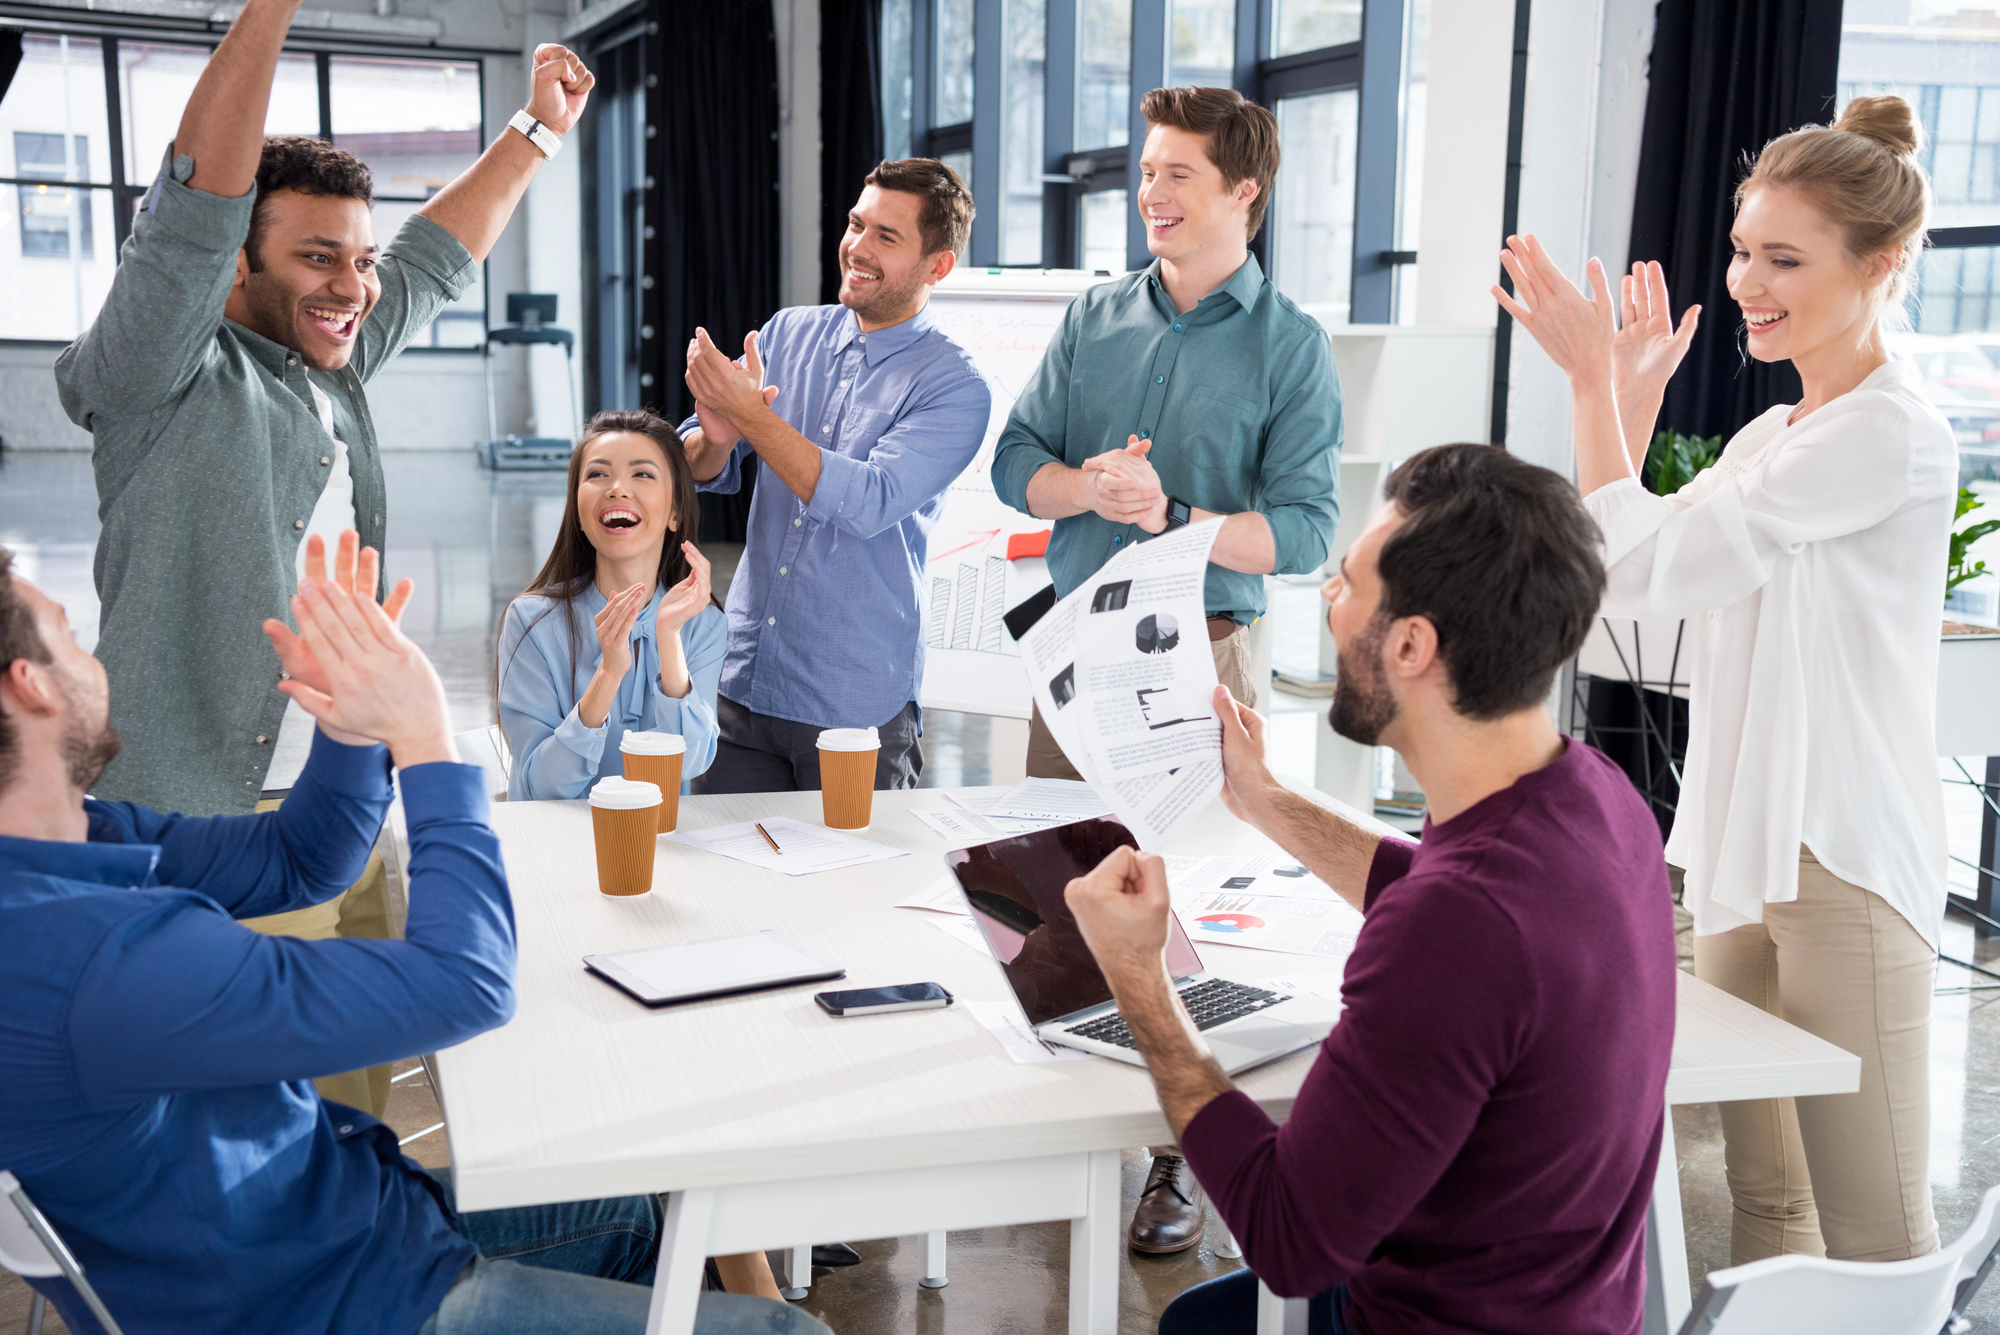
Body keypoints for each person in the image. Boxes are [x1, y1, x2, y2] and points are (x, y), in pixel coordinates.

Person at [0, 538, 824, 1335]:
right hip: (334, 1298)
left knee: (634, 1213)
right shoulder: (91, 959)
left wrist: (353, 727)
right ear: (29, 684)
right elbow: (465, 984)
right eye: (72, 633)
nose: (94, 651)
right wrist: (425, 739)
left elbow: (299, 861)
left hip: (338, 1221)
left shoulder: (74, 843)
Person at [54, 0, 595, 1116]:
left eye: (356, 256)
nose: (352, 283)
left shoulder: (330, 369)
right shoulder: (162, 373)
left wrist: (534, 133)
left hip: (347, 794)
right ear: (234, 269)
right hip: (219, 816)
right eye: (316, 257)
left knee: (357, 1104)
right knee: (264, 1114)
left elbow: (435, 259)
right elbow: (190, 212)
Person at [1061, 444, 1679, 1335]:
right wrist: (1266, 800)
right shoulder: (1597, 795)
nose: (1326, 599)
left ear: (1412, 645)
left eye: (1345, 583)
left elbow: (1289, 1241)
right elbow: (1440, 892)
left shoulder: (1457, 927)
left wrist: (1140, 985)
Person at [1494, 94, 1953, 1264]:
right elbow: (1619, 573)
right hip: (1739, 849)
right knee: (1761, 1207)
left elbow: (1646, 563)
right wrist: (1626, 394)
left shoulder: (1884, 432)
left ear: (1881, 263)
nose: (1747, 280)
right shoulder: (1770, 439)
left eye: (1783, 258)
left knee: (1871, 1228)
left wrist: (1594, 381)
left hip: (1840, 856)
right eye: (1742, 249)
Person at [988, 84, 1341, 1254]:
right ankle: (1060, 1134)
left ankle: (1169, 1163)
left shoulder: (1288, 345)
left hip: (1201, 660)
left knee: (1179, 912)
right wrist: (1086, 490)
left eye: (1176, 173)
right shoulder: (1095, 318)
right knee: (1058, 893)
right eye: (1145, 171)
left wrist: (1172, 514)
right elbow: (1012, 467)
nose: (1150, 193)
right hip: (1074, 656)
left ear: (1243, 190)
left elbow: (1302, 534)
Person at [678, 158, 990, 793]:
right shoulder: (789, 333)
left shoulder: (956, 386)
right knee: (726, 881)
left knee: (857, 887)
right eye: (856, 224)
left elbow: (867, 502)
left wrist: (748, 415)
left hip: (856, 706)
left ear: (938, 266)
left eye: (887, 236)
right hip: (744, 683)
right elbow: (699, 468)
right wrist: (713, 436)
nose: (859, 247)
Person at [499, 409, 725, 801]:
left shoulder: (704, 625)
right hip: (553, 847)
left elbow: (690, 764)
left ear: (675, 512)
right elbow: (542, 787)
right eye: (597, 474)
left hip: (658, 846)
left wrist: (669, 639)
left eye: (642, 474)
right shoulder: (530, 621)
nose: (617, 488)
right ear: (580, 516)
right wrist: (609, 673)